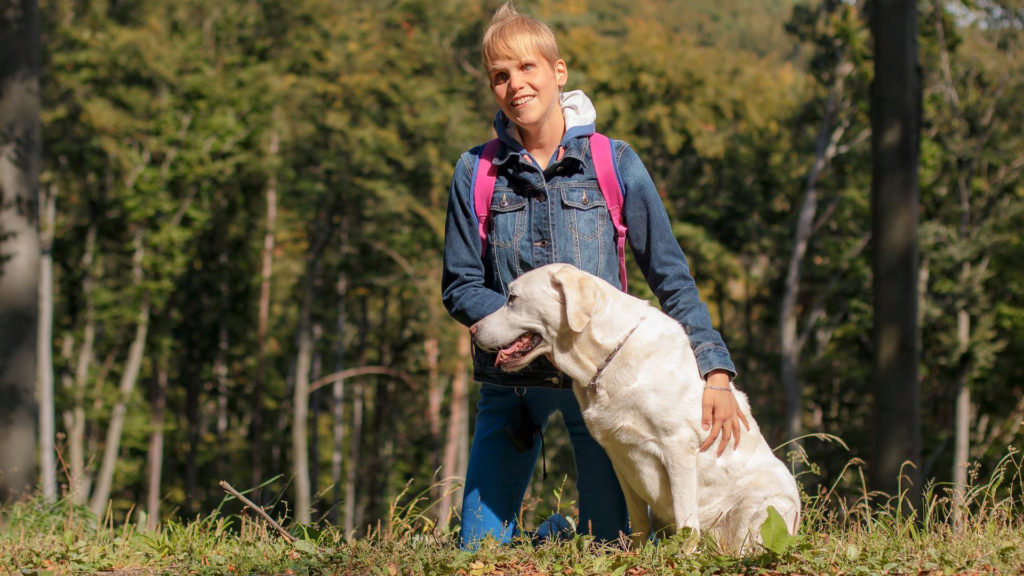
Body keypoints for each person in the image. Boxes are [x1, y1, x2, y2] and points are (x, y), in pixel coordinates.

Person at [441, 2, 748, 549]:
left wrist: (715, 372)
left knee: (610, 542)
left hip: (604, 384)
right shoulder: (476, 170)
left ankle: (560, 535)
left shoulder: (613, 161)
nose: (516, 85)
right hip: (511, 382)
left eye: (528, 68)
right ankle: (549, 536)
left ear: (558, 71)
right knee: (476, 551)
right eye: (500, 76)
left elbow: (669, 275)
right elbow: (461, 282)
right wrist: (516, 330)